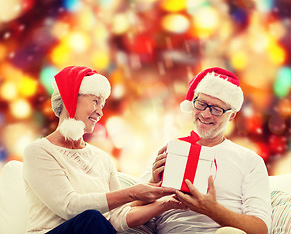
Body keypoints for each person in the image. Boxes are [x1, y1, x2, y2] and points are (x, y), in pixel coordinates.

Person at [23, 66, 185, 234]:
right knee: (91, 219)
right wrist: (133, 193)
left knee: (97, 221)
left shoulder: (102, 159)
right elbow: (69, 207)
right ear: (70, 98)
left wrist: (166, 204)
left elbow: (116, 219)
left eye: (102, 104)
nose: (100, 112)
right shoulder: (38, 151)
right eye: (95, 101)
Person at [140, 67, 272, 234]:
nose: (205, 114)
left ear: (231, 115)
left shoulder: (249, 160)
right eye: (201, 104)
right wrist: (153, 182)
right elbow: (129, 209)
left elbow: (261, 229)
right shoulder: (169, 150)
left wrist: (211, 209)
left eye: (217, 109)